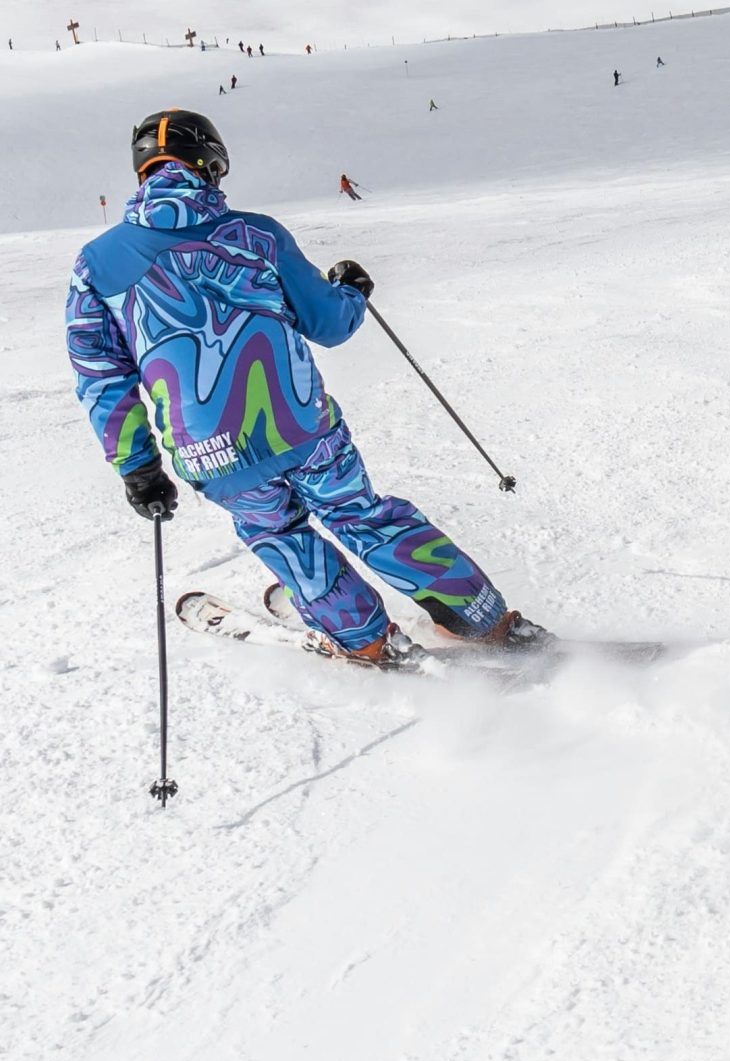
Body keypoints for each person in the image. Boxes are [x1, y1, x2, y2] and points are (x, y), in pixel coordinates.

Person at [64, 110, 541, 669]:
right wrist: (352, 293)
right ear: (212, 164)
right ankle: (482, 620)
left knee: (281, 534)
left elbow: (100, 374)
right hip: (301, 426)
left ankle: (363, 637)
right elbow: (328, 324)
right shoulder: (255, 235)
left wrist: (137, 467)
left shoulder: (96, 263)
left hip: (209, 452)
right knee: (362, 515)